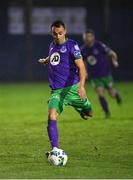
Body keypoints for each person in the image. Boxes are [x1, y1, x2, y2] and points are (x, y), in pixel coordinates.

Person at [38, 20, 92, 154]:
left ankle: (79, 106)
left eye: (60, 33)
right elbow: (54, 56)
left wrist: (82, 86)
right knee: (51, 115)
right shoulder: (52, 45)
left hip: (73, 89)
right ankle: (55, 149)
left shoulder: (72, 45)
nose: (57, 36)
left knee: (89, 113)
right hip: (57, 92)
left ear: (65, 32)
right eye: (54, 34)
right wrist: (46, 60)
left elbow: (81, 67)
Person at [81, 29, 122, 118]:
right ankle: (107, 112)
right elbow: (82, 62)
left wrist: (114, 60)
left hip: (106, 74)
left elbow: (112, 53)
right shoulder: (83, 49)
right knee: (100, 93)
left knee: (111, 94)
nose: (87, 38)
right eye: (85, 37)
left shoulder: (99, 45)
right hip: (95, 76)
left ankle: (117, 95)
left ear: (93, 37)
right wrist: (85, 72)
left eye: (89, 36)